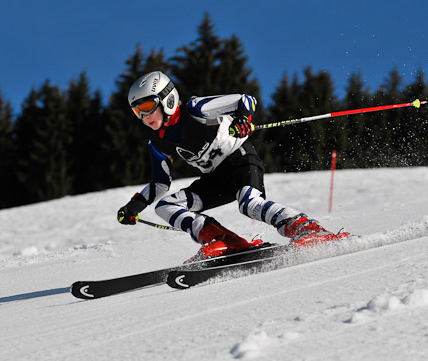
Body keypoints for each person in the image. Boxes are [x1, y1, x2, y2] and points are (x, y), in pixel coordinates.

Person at [117, 71, 346, 259]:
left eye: (147, 106)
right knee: (165, 206)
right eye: (138, 111)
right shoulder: (157, 143)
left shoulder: (196, 109)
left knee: (249, 205)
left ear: (167, 98)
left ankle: (306, 228)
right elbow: (160, 183)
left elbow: (245, 100)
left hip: (240, 159)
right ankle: (223, 241)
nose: (144, 116)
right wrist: (134, 206)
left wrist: (243, 120)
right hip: (215, 179)